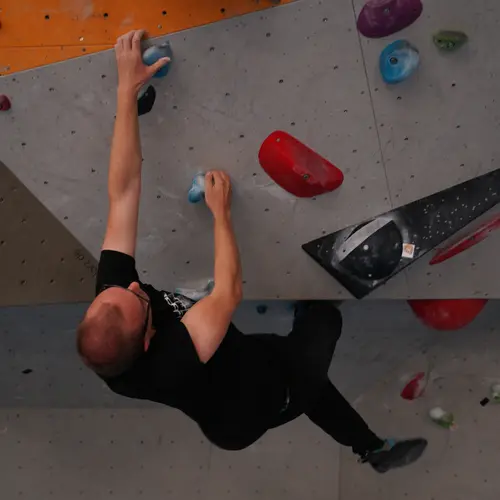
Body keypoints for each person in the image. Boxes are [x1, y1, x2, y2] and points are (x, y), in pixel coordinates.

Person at [77, 30, 427, 473]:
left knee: (292, 367)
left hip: (240, 358)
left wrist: (126, 91)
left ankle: (371, 449)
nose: (130, 283)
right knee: (318, 333)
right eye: (138, 297)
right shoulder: (173, 358)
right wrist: (221, 214)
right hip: (250, 410)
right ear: (147, 340)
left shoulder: (114, 302)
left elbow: (123, 192)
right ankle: (358, 429)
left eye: (116, 291)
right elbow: (227, 294)